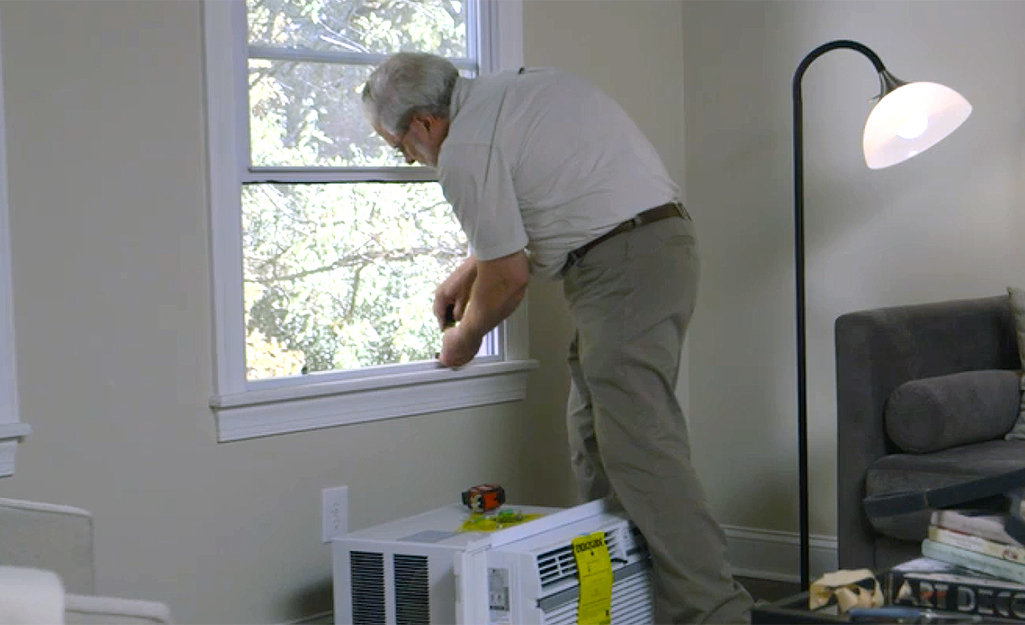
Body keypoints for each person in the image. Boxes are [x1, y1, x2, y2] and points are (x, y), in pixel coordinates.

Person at [362, 52, 754, 624]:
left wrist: (464, 339)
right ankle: (629, 600)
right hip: (648, 247)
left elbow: (510, 280)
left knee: (641, 451)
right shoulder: (513, 93)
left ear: (424, 123)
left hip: (621, 265)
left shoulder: (464, 152)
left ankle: (716, 614)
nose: (407, 157)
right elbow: (530, 204)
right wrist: (467, 271)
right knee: (595, 437)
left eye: (399, 143)